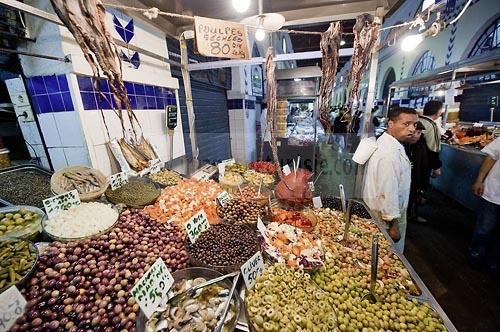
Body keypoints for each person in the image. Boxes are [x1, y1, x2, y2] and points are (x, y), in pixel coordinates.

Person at [363, 107, 418, 253]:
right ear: (390, 123)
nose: (412, 129)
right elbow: (387, 191)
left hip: (384, 213)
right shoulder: (388, 154)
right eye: (406, 124)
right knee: (385, 256)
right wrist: (393, 226)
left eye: (414, 125)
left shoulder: (392, 145)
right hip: (385, 219)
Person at [469, 136, 500, 279]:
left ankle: (494, 264)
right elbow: (491, 157)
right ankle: (475, 256)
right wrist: (479, 180)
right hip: (494, 193)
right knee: (484, 229)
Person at [406, 121, 429, 223]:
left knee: (411, 200)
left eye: (419, 133)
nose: (415, 136)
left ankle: (411, 216)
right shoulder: (402, 146)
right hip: (402, 182)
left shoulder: (421, 148)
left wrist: (423, 187)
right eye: (414, 132)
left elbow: (424, 168)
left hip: (414, 182)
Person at [419, 100, 444, 179]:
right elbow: (433, 148)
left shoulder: (417, 120)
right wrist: (436, 167)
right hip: (424, 162)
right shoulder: (431, 125)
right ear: (437, 112)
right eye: (441, 111)